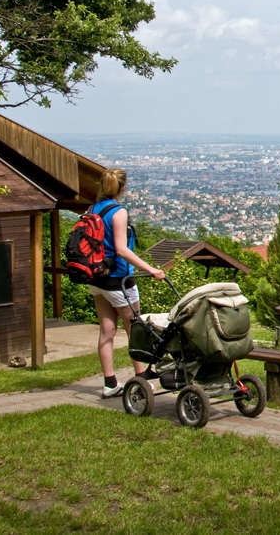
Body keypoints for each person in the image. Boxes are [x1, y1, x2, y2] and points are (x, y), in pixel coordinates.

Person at [90, 168, 166, 398]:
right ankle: (142, 379)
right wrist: (151, 269)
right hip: (119, 279)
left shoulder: (92, 209)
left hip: (97, 277)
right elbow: (122, 249)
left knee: (107, 331)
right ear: (122, 188)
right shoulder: (118, 212)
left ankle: (110, 382)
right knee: (135, 331)